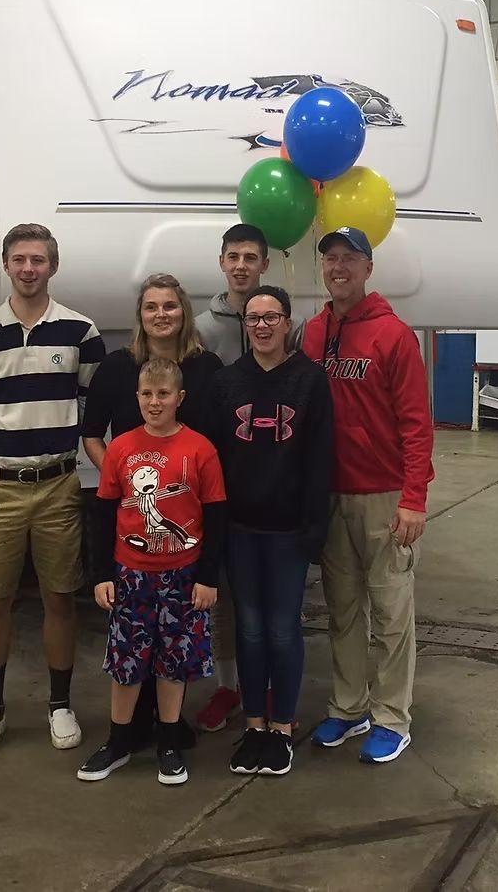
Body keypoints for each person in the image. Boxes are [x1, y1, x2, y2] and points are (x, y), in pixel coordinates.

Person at [0, 223, 105, 756]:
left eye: (38, 260)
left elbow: (88, 405)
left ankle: (60, 705)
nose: (28, 268)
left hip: (58, 486)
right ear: (5, 264)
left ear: (53, 266)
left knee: (59, 599)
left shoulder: (80, 332)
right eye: (19, 259)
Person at [302, 226, 434, 765]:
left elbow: (417, 425)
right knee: (343, 611)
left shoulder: (393, 335)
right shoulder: (313, 335)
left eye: (350, 259)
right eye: (331, 258)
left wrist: (414, 498)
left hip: (383, 496)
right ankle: (350, 706)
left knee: (391, 611)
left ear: (368, 268)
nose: (339, 268)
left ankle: (391, 717)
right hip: (329, 496)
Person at [81, 273, 222, 748]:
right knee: (134, 635)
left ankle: (168, 724)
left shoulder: (208, 368)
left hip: (189, 526)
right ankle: (131, 727)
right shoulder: (117, 367)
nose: (161, 314)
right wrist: (118, 480)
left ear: (184, 311)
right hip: (132, 532)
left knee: (173, 639)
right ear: (140, 316)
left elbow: (217, 447)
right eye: (151, 307)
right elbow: (92, 434)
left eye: (170, 306)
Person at [206, 286, 332, 776]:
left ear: (287, 323)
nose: (261, 326)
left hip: (287, 532)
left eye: (271, 317)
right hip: (240, 530)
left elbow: (320, 459)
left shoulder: (309, 380)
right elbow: (214, 464)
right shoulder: (226, 382)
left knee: (283, 629)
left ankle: (282, 729)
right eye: (253, 318)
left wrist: (314, 528)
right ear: (245, 324)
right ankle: (254, 726)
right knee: (250, 630)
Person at [194, 224, 305, 733]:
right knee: (225, 600)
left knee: (270, 609)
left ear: (264, 265)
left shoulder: (291, 328)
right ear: (221, 262)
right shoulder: (201, 327)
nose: (241, 265)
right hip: (222, 486)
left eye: (251, 258)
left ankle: (266, 692)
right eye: (232, 256)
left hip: (276, 492)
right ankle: (227, 686)